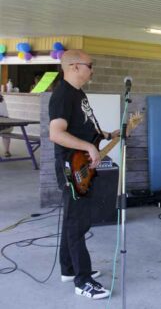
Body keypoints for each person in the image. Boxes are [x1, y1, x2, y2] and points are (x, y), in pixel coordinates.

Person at [48, 50, 119, 300]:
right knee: (77, 223)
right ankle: (83, 280)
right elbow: (56, 134)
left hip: (83, 166)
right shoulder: (62, 95)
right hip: (72, 168)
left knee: (75, 220)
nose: (92, 69)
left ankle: (69, 269)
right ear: (74, 67)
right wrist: (88, 147)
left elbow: (87, 129)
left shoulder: (78, 94)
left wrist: (107, 136)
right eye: (90, 65)